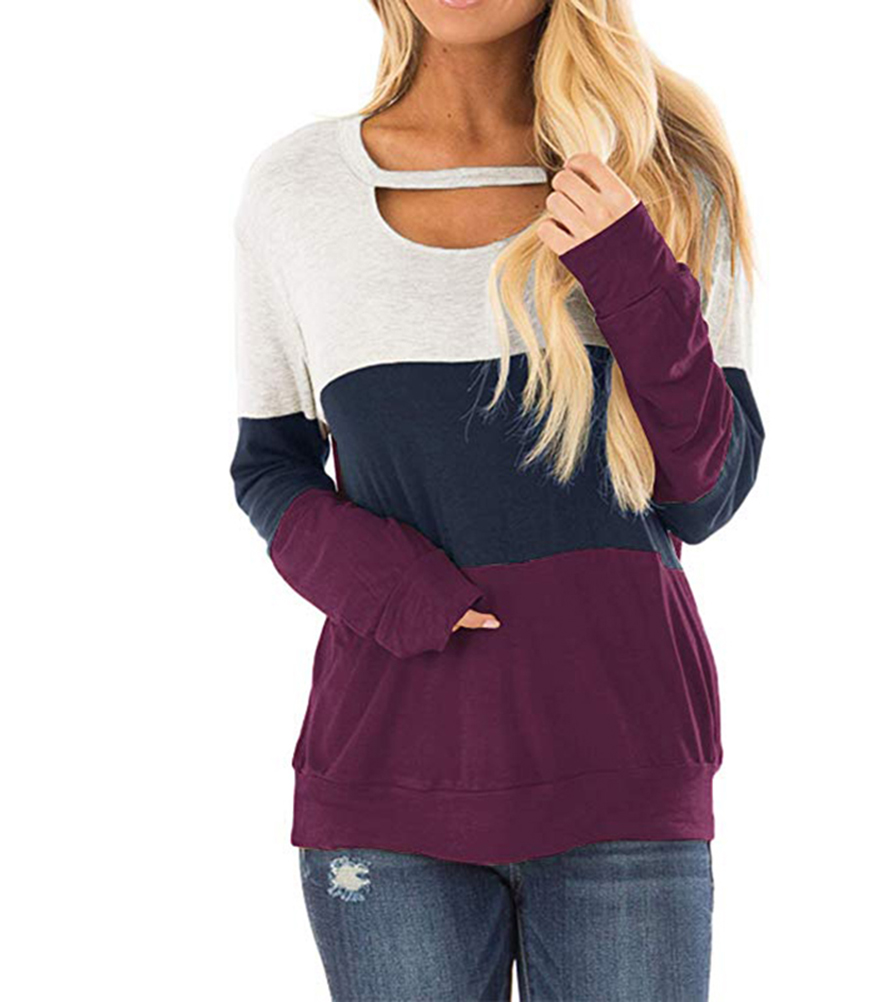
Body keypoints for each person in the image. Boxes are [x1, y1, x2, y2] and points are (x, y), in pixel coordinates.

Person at [229, 1, 765, 998]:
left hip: (624, 761)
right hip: (389, 775)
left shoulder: (665, 176)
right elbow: (269, 464)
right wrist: (395, 589)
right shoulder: (296, 190)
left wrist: (628, 265)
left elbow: (708, 490)